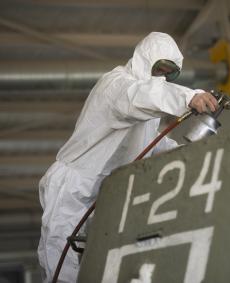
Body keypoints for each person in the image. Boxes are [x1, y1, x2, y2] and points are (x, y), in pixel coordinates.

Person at [38, 32, 218, 282]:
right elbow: (139, 95)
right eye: (159, 68)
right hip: (73, 186)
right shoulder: (117, 85)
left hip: (102, 193)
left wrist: (185, 152)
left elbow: (149, 142)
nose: (162, 77)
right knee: (61, 264)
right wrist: (188, 97)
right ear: (143, 58)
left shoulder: (147, 105)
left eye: (169, 72)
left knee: (97, 262)